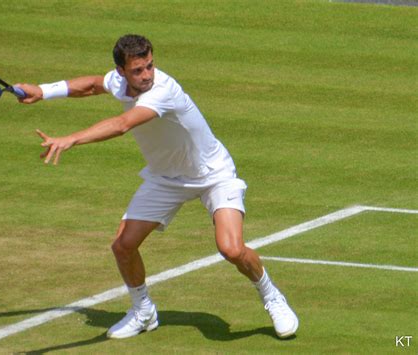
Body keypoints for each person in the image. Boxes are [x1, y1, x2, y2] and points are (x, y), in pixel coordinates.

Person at [16, 34, 299, 339]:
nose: (147, 75)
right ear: (122, 71)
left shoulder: (162, 91)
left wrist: (71, 138)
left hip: (213, 174)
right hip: (165, 178)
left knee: (230, 248)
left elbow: (122, 124)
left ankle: (272, 296)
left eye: (149, 66)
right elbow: (94, 84)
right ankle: (143, 312)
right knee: (123, 246)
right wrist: (44, 91)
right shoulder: (119, 81)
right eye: (138, 70)